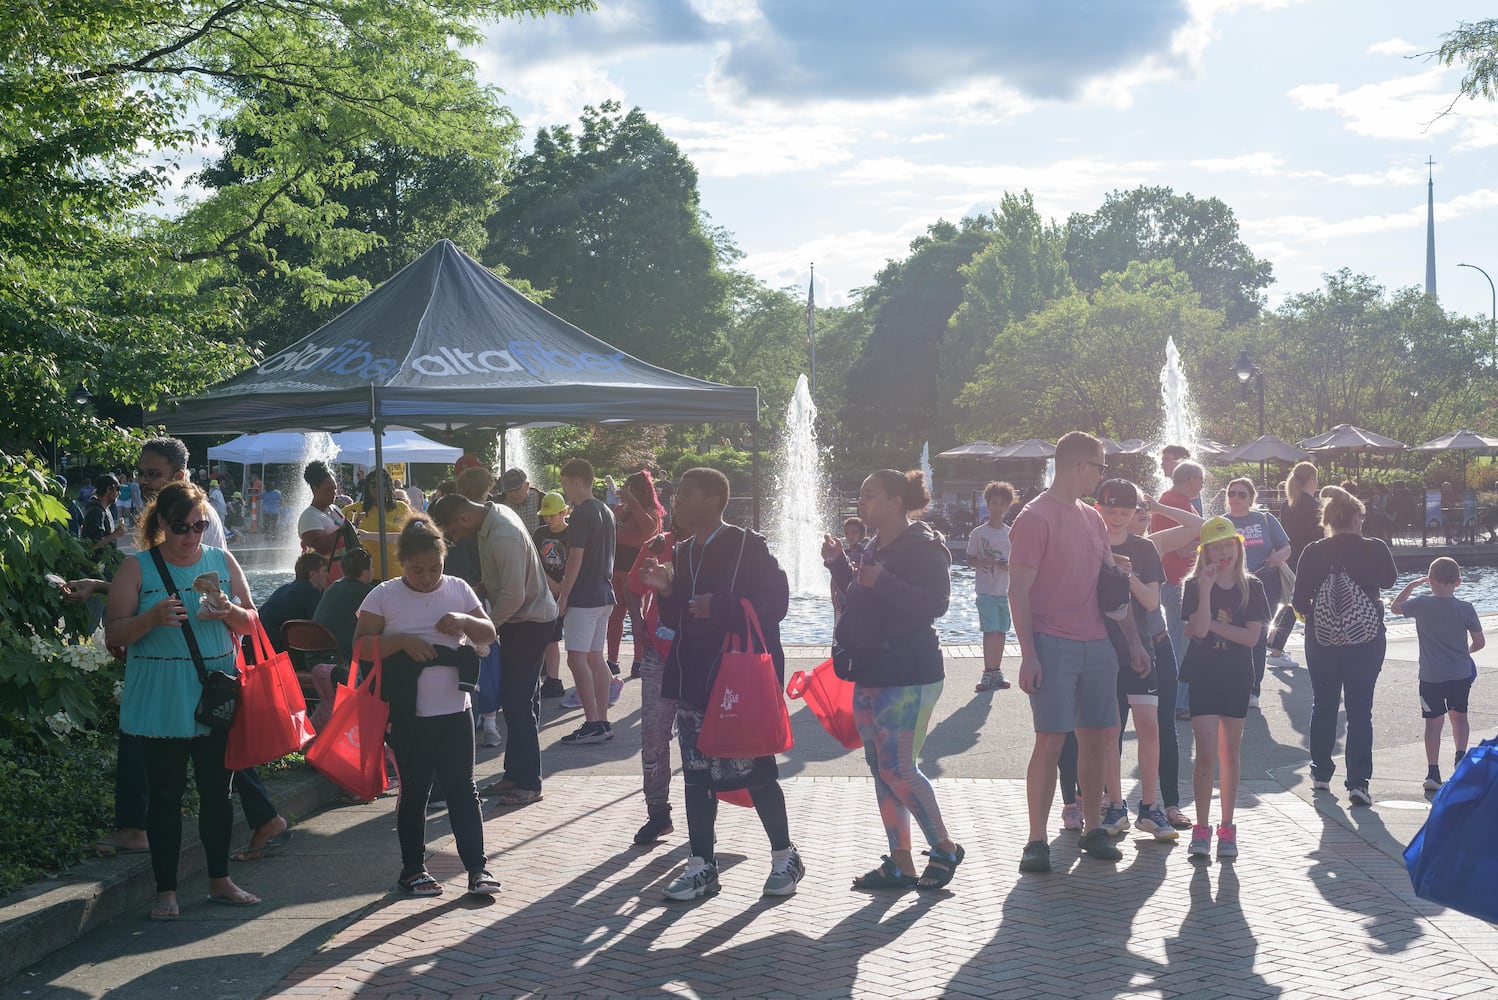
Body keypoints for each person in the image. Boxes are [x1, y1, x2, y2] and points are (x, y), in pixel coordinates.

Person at [70, 437, 290, 862]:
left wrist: (220, 610)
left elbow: (216, 593)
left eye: (153, 474)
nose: (143, 481)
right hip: (174, 662)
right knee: (202, 751)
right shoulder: (159, 531)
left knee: (207, 756)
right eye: (141, 473)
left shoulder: (193, 517)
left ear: (180, 477)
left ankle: (145, 829)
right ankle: (252, 820)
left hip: (203, 659)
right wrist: (113, 599)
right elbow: (147, 586)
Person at [639, 467, 801, 900]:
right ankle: (702, 864)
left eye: (685, 494)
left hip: (738, 681)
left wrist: (723, 606)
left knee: (756, 771)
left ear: (712, 499)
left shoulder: (749, 545)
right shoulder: (686, 550)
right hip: (694, 676)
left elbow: (776, 604)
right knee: (695, 774)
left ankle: (785, 856)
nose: (675, 502)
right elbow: (679, 620)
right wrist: (666, 592)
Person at [103, 481, 261, 919]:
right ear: (160, 525)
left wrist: (229, 611)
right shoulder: (136, 568)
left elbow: (252, 623)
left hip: (214, 691)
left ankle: (219, 879)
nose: (191, 536)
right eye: (181, 527)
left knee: (218, 793)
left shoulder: (221, 560)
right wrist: (151, 618)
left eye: (199, 525)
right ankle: (166, 892)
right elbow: (113, 634)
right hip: (160, 694)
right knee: (166, 795)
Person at [1010, 432, 1149, 874]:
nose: (1104, 476)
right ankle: (1036, 839)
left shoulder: (1091, 519)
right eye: (1101, 467)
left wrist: (1132, 641)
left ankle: (1093, 829)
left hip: (1097, 644)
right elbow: (1018, 591)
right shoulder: (1035, 518)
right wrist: (1028, 653)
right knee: (1050, 740)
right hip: (1052, 642)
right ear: (1079, 466)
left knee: (1100, 737)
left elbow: (1109, 586)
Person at [825, 469, 964, 891]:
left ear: (897, 503)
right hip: (872, 668)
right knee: (880, 768)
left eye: (871, 496)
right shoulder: (871, 545)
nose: (862, 504)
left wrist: (883, 580)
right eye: (861, 496)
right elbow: (860, 596)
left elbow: (936, 604)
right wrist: (837, 566)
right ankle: (901, 861)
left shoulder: (925, 547)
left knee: (898, 766)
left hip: (910, 671)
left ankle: (944, 846)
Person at [353, 517, 500, 897]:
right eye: (417, 570)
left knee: (462, 789)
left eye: (435, 568)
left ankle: (477, 869)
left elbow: (489, 633)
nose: (427, 577)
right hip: (407, 714)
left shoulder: (458, 588)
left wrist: (467, 619)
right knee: (415, 790)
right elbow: (359, 647)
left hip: (455, 708)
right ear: (402, 562)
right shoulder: (384, 595)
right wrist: (400, 640)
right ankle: (413, 869)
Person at [430, 493, 559, 805]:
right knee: (519, 701)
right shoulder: (492, 516)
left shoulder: (502, 534)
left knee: (517, 702)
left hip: (529, 622)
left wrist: (483, 629)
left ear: (462, 519)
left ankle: (528, 782)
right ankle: (515, 775)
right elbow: (505, 582)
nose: (457, 538)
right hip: (524, 620)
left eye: (454, 532)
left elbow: (514, 595)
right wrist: (481, 590)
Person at [1291, 486, 1397, 807]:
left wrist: (1325, 620)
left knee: (1323, 704)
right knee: (1359, 709)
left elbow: (1298, 600)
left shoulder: (1312, 551)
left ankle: (1322, 772)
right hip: (1365, 639)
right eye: (1362, 516)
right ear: (1354, 517)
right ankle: (1358, 782)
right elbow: (1390, 581)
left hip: (1322, 641)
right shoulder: (1374, 547)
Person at [1180, 516, 1269, 859]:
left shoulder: (1253, 586)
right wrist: (1204, 591)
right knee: (1205, 755)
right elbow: (1198, 631)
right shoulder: (1193, 586)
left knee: (1230, 754)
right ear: (1205, 552)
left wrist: (1210, 625)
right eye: (1216, 547)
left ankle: (1227, 827)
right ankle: (1201, 828)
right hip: (1204, 677)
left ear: (1238, 547)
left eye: (1228, 545)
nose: (1224, 553)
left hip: (1235, 678)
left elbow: (1250, 638)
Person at [1093, 480, 1174, 841]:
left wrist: (1126, 573)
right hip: (1100, 651)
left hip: (1140, 650)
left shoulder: (1143, 548)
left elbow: (1152, 602)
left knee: (1150, 730)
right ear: (1098, 509)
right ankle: (1114, 805)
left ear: (1135, 512)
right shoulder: (1089, 544)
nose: (1117, 518)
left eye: (1124, 513)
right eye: (1110, 511)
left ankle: (1150, 806)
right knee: (1110, 732)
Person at [1392, 557, 1485, 790]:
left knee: (1433, 722)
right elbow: (1480, 642)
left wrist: (1411, 586)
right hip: (1459, 673)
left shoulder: (1421, 604)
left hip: (1431, 675)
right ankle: (1461, 758)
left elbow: (1394, 607)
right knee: (1459, 716)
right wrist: (1466, 651)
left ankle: (1433, 772)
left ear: (1430, 580)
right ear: (1459, 582)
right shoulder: (1466, 608)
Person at [555, 457, 619, 745]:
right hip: (604, 594)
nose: (565, 490)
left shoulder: (581, 513)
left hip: (584, 597)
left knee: (577, 659)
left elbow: (575, 557)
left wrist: (564, 594)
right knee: (595, 657)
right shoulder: (606, 509)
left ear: (578, 481)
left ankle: (593, 721)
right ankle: (602, 720)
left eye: (566, 483)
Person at [627, 522, 679, 845]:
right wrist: (637, 621)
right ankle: (658, 813)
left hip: (699, 658)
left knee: (697, 743)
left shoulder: (718, 547)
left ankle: (705, 821)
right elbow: (632, 588)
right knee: (653, 737)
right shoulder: (660, 544)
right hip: (658, 655)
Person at [1223, 477, 1292, 709]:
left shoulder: (1265, 519)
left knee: (1258, 635)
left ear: (1251, 498)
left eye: (1242, 494)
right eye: (1232, 493)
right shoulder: (1222, 522)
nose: (1236, 498)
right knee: (1233, 633)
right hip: (1233, 583)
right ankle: (1234, 682)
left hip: (1265, 582)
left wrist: (1276, 558)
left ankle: (1253, 688)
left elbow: (1286, 547)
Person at [1152, 460, 1205, 721]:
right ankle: (1177, 702)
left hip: (1173, 579)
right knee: (1179, 642)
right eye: (1201, 479)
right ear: (1190, 479)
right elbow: (1185, 545)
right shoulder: (1176, 502)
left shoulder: (1171, 500)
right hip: (1177, 581)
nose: (1203, 485)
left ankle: (1177, 699)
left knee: (1178, 638)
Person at [610, 471, 664, 680]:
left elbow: (649, 529)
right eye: (626, 488)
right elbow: (614, 524)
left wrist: (633, 504)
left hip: (637, 570)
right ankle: (612, 661)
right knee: (615, 615)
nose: (627, 492)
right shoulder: (623, 510)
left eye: (631, 488)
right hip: (616, 568)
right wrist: (626, 506)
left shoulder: (651, 511)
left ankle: (639, 660)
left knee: (637, 614)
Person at [1266, 461, 1319, 670]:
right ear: (1312, 479)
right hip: (1309, 559)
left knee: (1291, 600)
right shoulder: (1313, 505)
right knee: (1298, 603)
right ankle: (1277, 648)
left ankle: (1273, 640)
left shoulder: (1288, 504)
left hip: (1291, 558)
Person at [967, 481, 1015, 693]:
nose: (997, 507)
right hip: (986, 589)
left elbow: (1019, 562)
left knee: (1002, 630)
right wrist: (982, 562)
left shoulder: (1012, 533)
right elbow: (970, 559)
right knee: (989, 630)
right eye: (994, 503)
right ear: (987, 504)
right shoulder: (979, 533)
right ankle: (988, 670)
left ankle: (997, 670)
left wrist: (1008, 566)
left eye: (1002, 503)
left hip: (1005, 591)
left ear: (1007, 506)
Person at [531, 491, 570, 699]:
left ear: (564, 512)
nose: (548, 519)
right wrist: (550, 581)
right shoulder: (539, 534)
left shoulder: (572, 533)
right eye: (545, 515)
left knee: (571, 641)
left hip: (567, 590)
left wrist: (564, 584)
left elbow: (575, 561)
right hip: (545, 590)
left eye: (552, 515)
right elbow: (535, 561)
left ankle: (556, 679)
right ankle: (551, 678)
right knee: (550, 638)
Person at [343, 469, 413, 580]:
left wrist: (367, 535)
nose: (379, 489)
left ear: (389, 487)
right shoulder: (352, 510)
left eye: (383, 485)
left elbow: (410, 538)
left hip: (397, 575)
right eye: (374, 485)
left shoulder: (401, 508)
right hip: (365, 577)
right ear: (367, 488)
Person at [258, 552, 331, 651]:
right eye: (324, 571)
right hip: (277, 647)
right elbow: (322, 627)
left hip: (259, 642)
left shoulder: (286, 588)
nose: (328, 576)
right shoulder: (310, 592)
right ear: (313, 574)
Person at [313, 548, 377, 660]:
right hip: (339, 656)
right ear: (364, 573)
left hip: (316, 655)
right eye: (372, 566)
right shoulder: (368, 593)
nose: (374, 569)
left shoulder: (333, 587)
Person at [298, 460, 354, 583]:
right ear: (315, 489)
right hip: (325, 580)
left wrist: (353, 528)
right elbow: (317, 548)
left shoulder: (335, 509)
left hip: (343, 575)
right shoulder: (309, 516)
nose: (334, 493)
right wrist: (343, 531)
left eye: (335, 489)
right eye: (329, 490)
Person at [830, 517, 868, 624]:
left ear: (861, 534)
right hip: (841, 597)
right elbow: (834, 576)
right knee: (840, 625)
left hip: (858, 598)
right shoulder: (843, 555)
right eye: (847, 534)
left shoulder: (865, 553)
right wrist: (833, 595)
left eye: (854, 533)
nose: (850, 536)